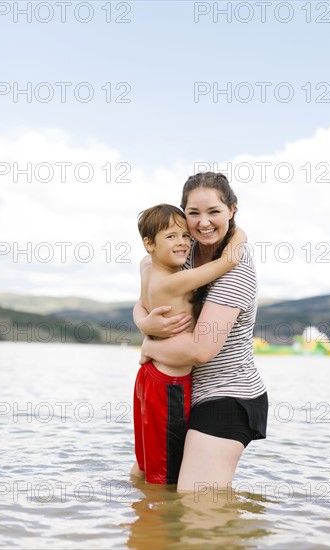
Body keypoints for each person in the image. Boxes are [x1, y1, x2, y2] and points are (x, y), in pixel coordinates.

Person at [134, 172, 268, 492]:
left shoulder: (237, 270)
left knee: (193, 496)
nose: (203, 222)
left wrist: (149, 348)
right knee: (146, 482)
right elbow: (147, 287)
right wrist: (143, 321)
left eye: (214, 212)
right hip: (182, 391)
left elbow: (200, 350)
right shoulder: (185, 249)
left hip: (228, 393)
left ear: (232, 209)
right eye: (194, 213)